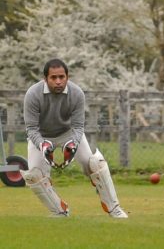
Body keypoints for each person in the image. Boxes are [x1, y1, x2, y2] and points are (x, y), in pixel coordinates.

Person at [21, 58, 128, 218]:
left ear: (67, 77)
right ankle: (59, 210)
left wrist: (73, 143)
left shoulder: (76, 93)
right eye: (53, 77)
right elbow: (31, 128)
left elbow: (78, 126)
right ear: (45, 79)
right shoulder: (33, 94)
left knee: (95, 165)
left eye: (61, 77)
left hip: (68, 133)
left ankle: (114, 208)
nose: (58, 81)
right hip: (41, 136)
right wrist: (43, 144)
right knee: (34, 176)